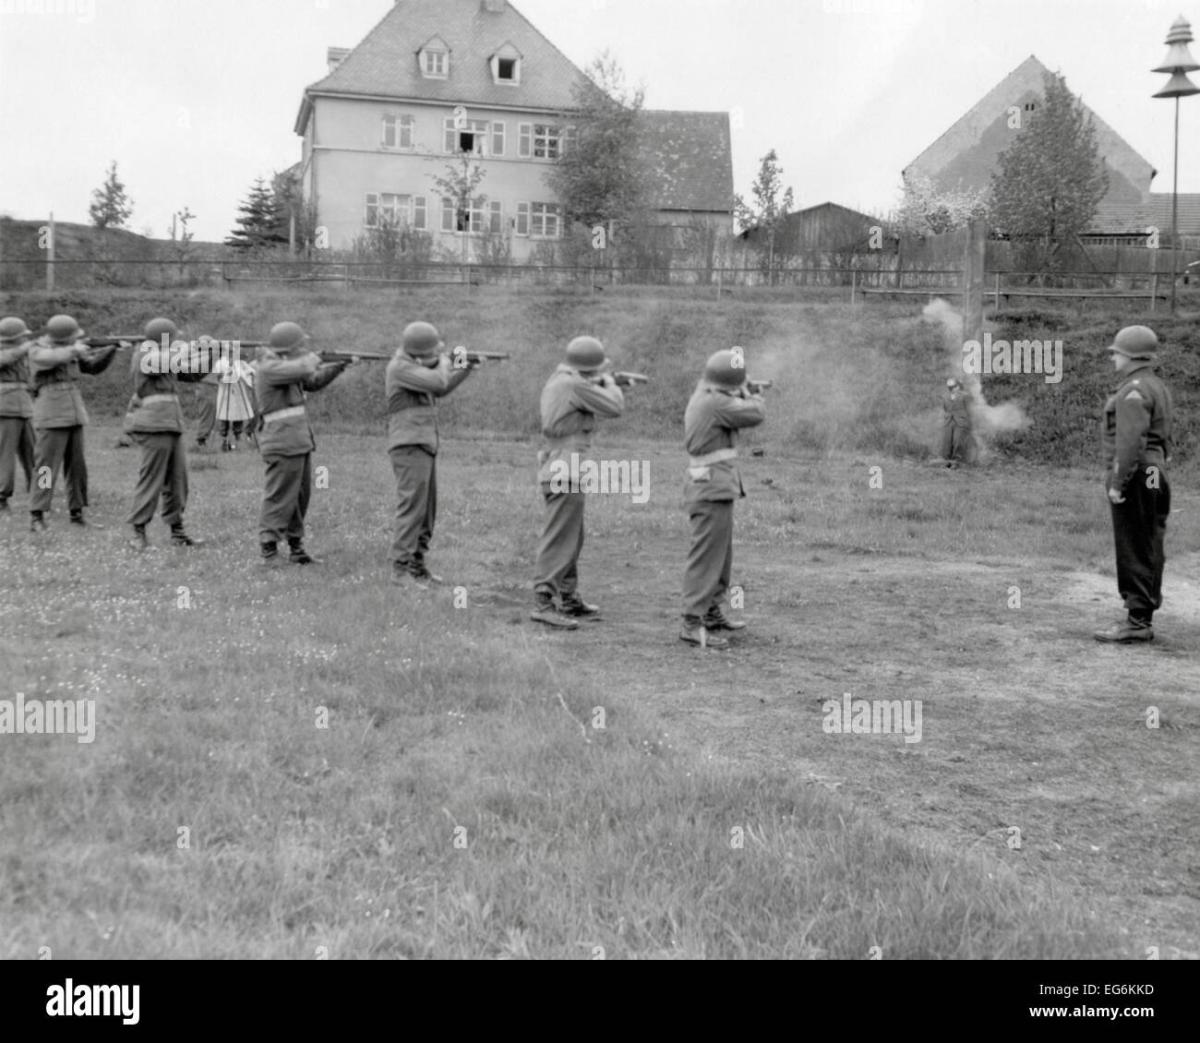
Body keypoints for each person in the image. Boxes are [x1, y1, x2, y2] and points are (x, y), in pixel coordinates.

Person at [530, 336, 624, 630]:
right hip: (566, 465)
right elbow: (615, 407)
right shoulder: (574, 384)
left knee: (572, 535)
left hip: (563, 463)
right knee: (560, 536)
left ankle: (567, 596)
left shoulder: (565, 380)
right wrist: (609, 383)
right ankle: (544, 601)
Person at [680, 348, 766, 649]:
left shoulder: (709, 393)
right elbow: (756, 414)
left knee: (720, 556)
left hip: (715, 486)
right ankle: (692, 622)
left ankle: (711, 611)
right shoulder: (715, 401)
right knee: (706, 556)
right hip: (710, 488)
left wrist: (740, 389)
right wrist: (750, 394)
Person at [1094, 325, 1173, 644]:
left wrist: (1118, 482)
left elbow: (1130, 443)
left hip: (1138, 471)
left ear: (1130, 355)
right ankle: (1142, 614)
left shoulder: (1132, 390)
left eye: (1116, 353)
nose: (1113, 358)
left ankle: (1137, 621)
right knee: (1149, 541)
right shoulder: (1156, 385)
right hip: (1154, 470)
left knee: (1133, 543)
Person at [254, 321, 352, 566]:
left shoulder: (288, 367)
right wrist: (316, 357)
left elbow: (314, 381)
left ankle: (296, 547)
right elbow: (306, 367)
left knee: (299, 496)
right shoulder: (270, 366)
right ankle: (269, 549)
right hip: (281, 439)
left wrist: (340, 365)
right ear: (289, 348)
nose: (304, 349)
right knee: (279, 495)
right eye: (300, 345)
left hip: (297, 439)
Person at [385, 321, 475, 586]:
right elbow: (438, 381)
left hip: (422, 442)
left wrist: (466, 367)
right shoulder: (400, 367)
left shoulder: (416, 366)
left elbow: (442, 388)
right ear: (422, 351)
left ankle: (417, 564)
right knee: (412, 507)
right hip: (409, 443)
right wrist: (446, 361)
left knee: (426, 510)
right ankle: (400, 570)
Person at [124, 317, 212, 550]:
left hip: (171, 423)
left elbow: (194, 373)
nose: (176, 341)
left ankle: (178, 531)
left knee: (178, 481)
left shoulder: (164, 357)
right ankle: (138, 532)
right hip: (154, 424)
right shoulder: (145, 355)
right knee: (151, 479)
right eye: (173, 338)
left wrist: (212, 353)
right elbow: (170, 360)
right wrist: (191, 348)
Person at [28, 314, 120, 532]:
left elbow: (92, 367)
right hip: (51, 413)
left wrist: (111, 349)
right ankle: (37, 514)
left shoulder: (70, 349)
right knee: (46, 468)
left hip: (74, 412)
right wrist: (75, 349)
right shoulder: (38, 349)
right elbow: (47, 360)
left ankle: (77, 512)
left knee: (77, 467)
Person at [0, 316, 36, 515]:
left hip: (25, 407)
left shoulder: (22, 353)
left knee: (36, 454)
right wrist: (28, 346)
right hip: (5, 407)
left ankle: (41, 492)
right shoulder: (12, 352)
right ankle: (2, 497)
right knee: (5, 455)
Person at [214, 348, 256, 451]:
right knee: (224, 416)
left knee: (239, 414)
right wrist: (227, 374)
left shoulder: (240, 363)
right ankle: (224, 439)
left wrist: (249, 374)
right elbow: (218, 377)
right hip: (226, 392)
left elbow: (249, 371)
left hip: (238, 392)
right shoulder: (220, 363)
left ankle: (238, 437)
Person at [940, 377, 975, 466]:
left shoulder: (965, 396)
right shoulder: (945, 396)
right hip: (948, 421)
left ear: (958, 386)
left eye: (955, 386)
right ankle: (946, 461)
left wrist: (967, 420)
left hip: (960, 421)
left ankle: (956, 461)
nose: (954, 388)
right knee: (946, 441)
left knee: (957, 441)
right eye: (951, 387)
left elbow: (969, 409)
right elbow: (945, 408)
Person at [193, 370, 218, 449]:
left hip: (210, 386)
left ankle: (202, 439)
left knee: (211, 414)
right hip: (206, 385)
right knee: (207, 413)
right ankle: (201, 440)